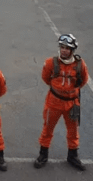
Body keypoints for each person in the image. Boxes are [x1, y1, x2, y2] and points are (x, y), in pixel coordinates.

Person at [35, 34, 89, 171]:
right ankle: (43, 154)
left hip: (72, 103)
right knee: (48, 129)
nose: (64, 50)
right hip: (54, 101)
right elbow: (45, 77)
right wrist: (58, 90)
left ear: (72, 50)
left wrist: (70, 93)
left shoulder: (79, 64)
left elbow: (83, 80)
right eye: (62, 47)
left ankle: (72, 155)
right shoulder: (50, 63)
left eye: (67, 48)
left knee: (73, 131)